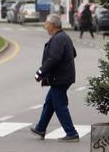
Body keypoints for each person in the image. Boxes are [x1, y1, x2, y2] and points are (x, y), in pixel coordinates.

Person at [30, 13, 79, 142]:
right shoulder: (63, 37)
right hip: (63, 77)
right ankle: (40, 128)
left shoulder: (58, 39)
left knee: (60, 105)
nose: (45, 26)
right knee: (49, 103)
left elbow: (53, 59)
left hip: (60, 78)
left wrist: (40, 72)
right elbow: (73, 53)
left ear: (52, 25)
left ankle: (71, 133)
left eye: (46, 23)